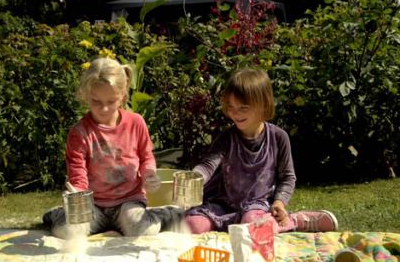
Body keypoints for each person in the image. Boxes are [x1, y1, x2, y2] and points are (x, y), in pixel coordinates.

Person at [43, 57, 183, 239]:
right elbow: (77, 172)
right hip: (93, 205)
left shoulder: (136, 122)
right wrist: (78, 193)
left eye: (111, 101)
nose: (104, 109)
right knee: (67, 233)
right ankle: (57, 214)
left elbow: (146, 156)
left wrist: (149, 174)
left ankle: (165, 214)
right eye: (96, 101)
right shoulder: (80, 132)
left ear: (123, 96)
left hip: (129, 202)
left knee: (144, 231)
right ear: (86, 95)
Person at [185, 68, 338, 234]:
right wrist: (193, 178)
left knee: (253, 224)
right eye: (230, 107)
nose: (235, 113)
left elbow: (287, 177)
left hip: (257, 205)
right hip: (223, 204)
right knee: (193, 225)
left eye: (243, 108)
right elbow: (208, 165)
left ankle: (294, 220)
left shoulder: (278, 137)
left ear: (264, 105)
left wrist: (279, 202)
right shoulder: (227, 138)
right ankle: (264, 224)